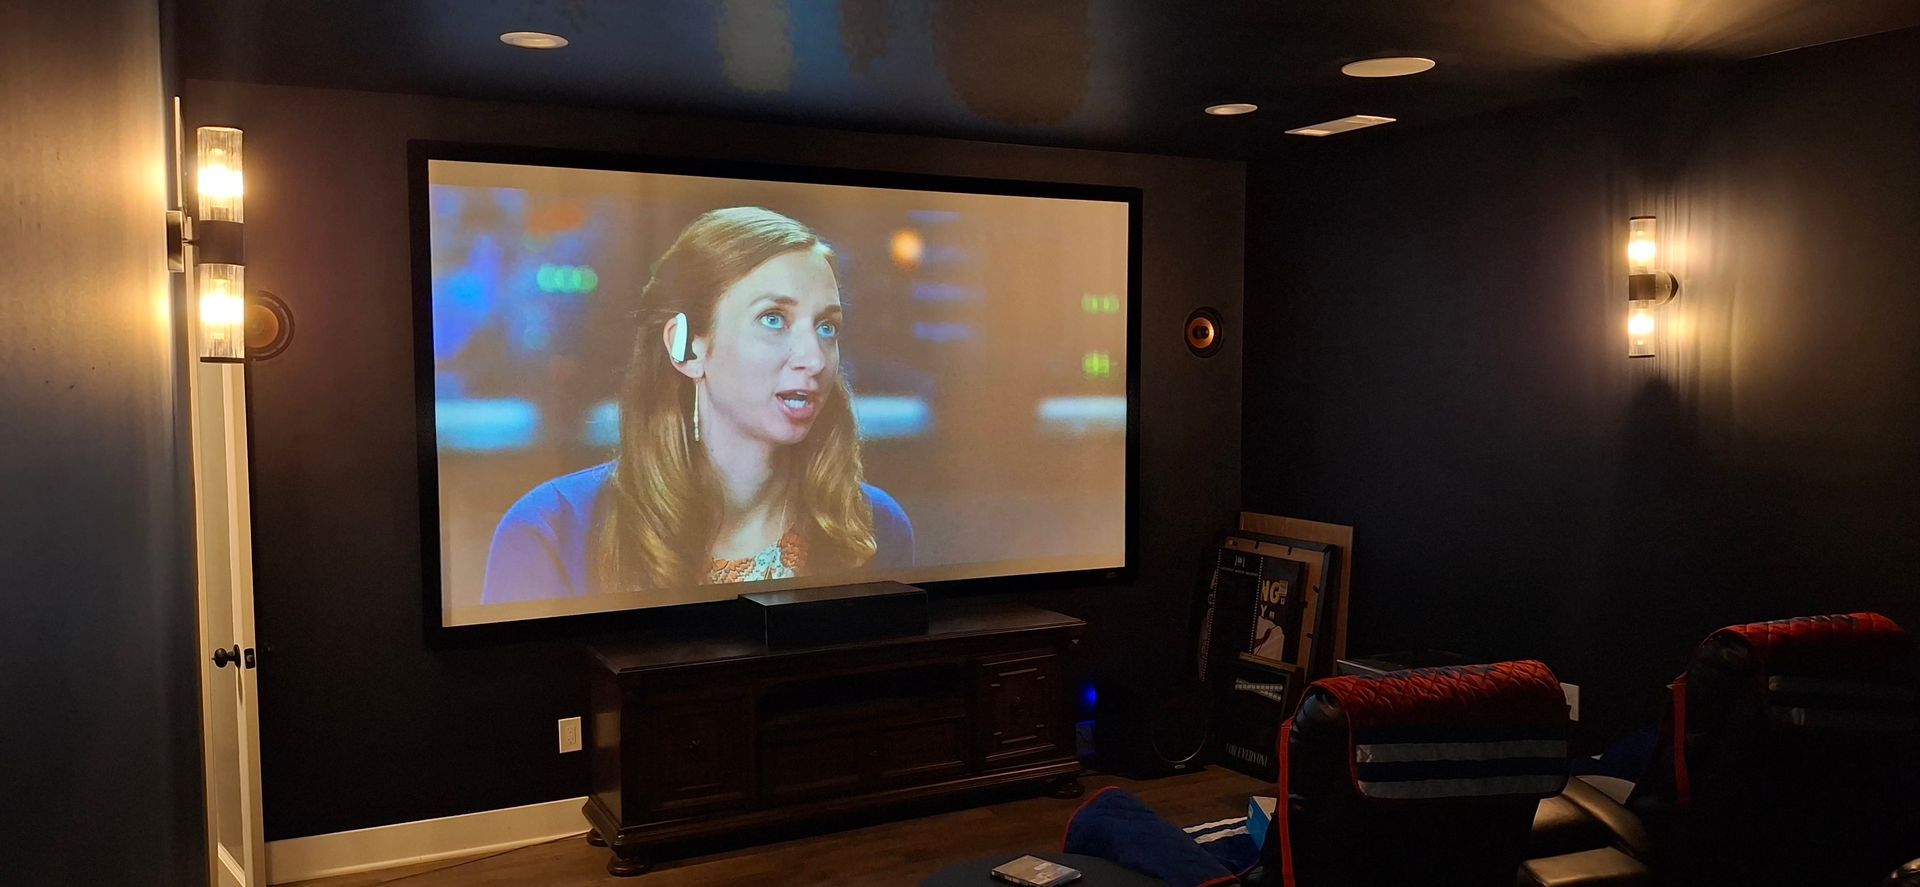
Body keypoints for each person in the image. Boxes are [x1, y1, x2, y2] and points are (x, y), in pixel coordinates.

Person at [481, 207, 912, 604]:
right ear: (686, 349)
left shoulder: (873, 527)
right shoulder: (549, 532)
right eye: (773, 319)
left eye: (826, 327)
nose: (814, 359)